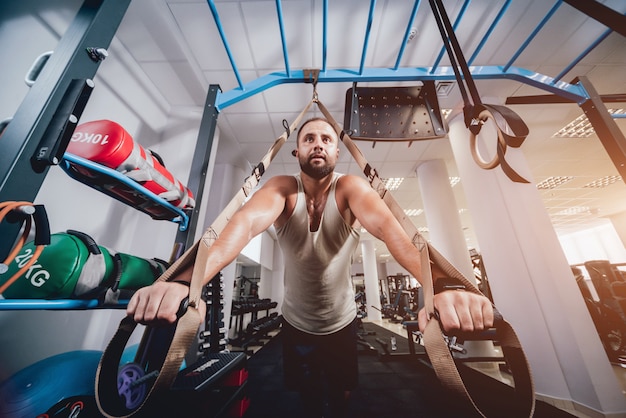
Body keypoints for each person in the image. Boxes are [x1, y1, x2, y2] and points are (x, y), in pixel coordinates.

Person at [127, 117, 494, 417]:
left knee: (342, 390)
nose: (317, 143)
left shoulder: (350, 188)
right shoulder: (282, 189)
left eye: (325, 138)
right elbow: (241, 226)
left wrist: (442, 287)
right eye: (309, 138)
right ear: (297, 149)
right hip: (296, 321)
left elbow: (393, 233)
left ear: (336, 150)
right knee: (304, 392)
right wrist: (183, 282)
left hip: (342, 321)